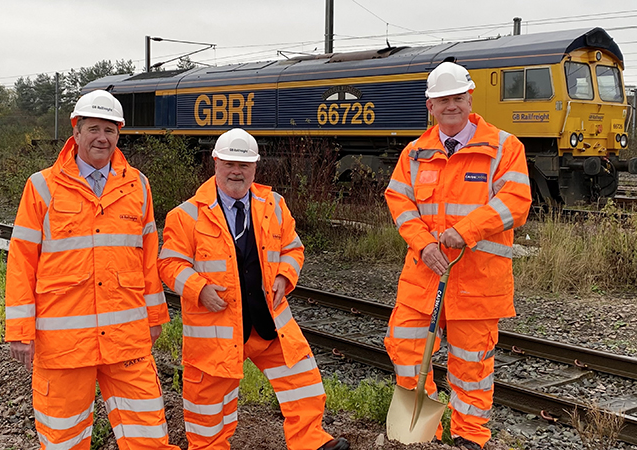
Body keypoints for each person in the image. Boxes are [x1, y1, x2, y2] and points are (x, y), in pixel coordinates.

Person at [5, 89, 179, 450]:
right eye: (94, 129)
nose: (102, 138)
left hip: (126, 337)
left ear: (119, 134)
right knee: (62, 438)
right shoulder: (42, 187)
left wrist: (155, 316)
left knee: (149, 435)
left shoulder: (139, 186)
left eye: (110, 130)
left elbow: (148, 257)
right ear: (76, 131)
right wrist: (20, 330)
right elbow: (22, 260)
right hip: (64, 343)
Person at [157, 128, 349, 450]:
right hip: (217, 331)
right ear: (215, 162)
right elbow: (169, 265)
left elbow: (293, 249)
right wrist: (198, 288)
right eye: (230, 163)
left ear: (255, 168)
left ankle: (311, 441)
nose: (236, 171)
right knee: (208, 406)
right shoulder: (185, 215)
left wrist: (284, 278)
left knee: (302, 380)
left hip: (268, 324)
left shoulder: (274, 205)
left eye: (243, 165)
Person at [383, 62, 532, 450]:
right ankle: (420, 434)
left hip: (478, 280)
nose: (451, 106)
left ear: (470, 99)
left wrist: (464, 231)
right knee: (406, 350)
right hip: (424, 275)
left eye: (457, 98)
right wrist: (424, 243)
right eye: (442, 100)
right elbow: (399, 201)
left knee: (471, 367)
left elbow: (516, 202)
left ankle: (469, 437)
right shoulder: (415, 153)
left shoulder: (503, 147)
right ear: (429, 106)